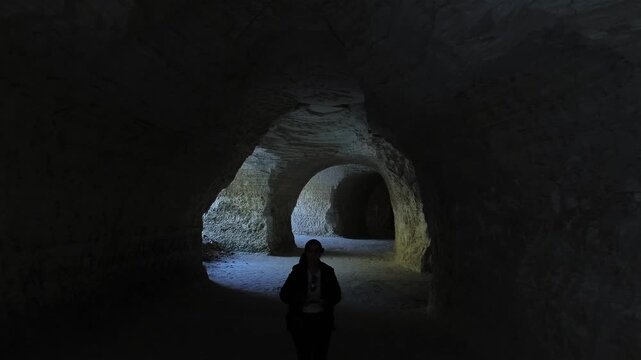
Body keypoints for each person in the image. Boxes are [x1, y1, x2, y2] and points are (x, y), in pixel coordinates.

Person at [279, 239, 342, 360]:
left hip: (322, 319)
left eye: (316, 251)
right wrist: (301, 300)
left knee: (320, 353)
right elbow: (284, 294)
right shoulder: (297, 271)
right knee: (303, 354)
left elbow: (337, 295)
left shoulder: (328, 272)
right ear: (306, 253)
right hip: (301, 318)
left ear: (320, 253)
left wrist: (325, 301)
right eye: (310, 251)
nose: (313, 255)